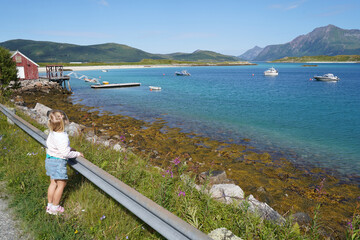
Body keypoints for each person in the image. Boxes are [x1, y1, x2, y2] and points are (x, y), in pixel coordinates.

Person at [45, 110, 83, 215]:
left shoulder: (52, 133)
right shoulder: (63, 137)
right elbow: (65, 153)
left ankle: (49, 205)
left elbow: (57, 146)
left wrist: (70, 148)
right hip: (58, 162)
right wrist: (76, 154)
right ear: (63, 122)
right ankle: (55, 207)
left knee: (53, 183)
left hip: (49, 159)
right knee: (61, 184)